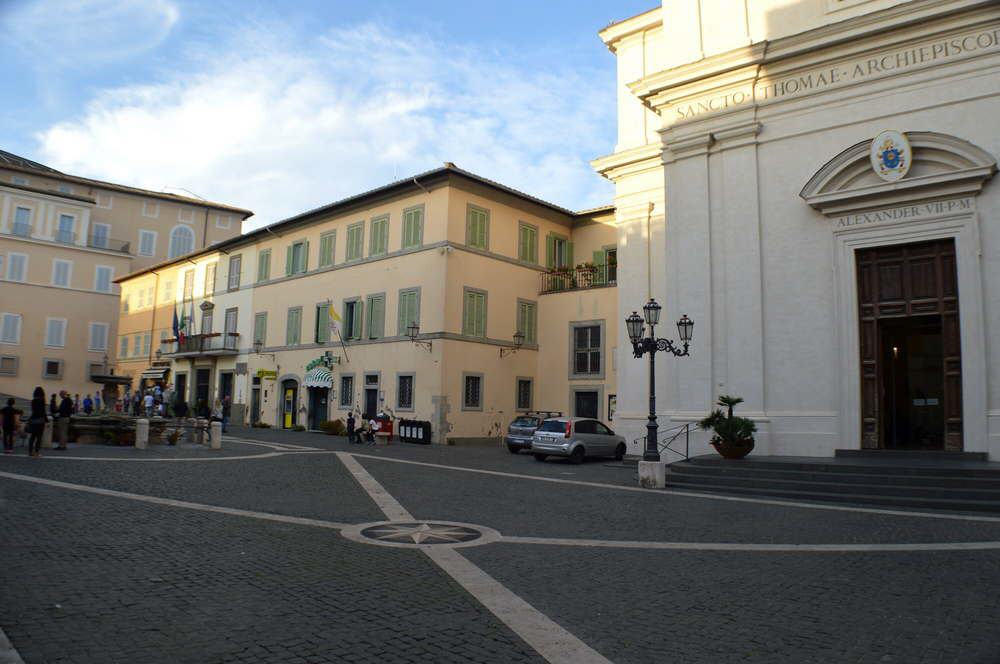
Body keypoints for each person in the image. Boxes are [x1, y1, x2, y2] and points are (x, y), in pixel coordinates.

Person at [27, 387, 46, 458]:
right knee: (39, 437)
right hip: (40, 421)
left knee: (32, 436)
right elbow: (43, 411)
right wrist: (46, 420)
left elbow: (33, 411)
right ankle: (36, 452)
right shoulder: (42, 400)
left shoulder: (33, 401)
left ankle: (30, 451)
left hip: (33, 420)